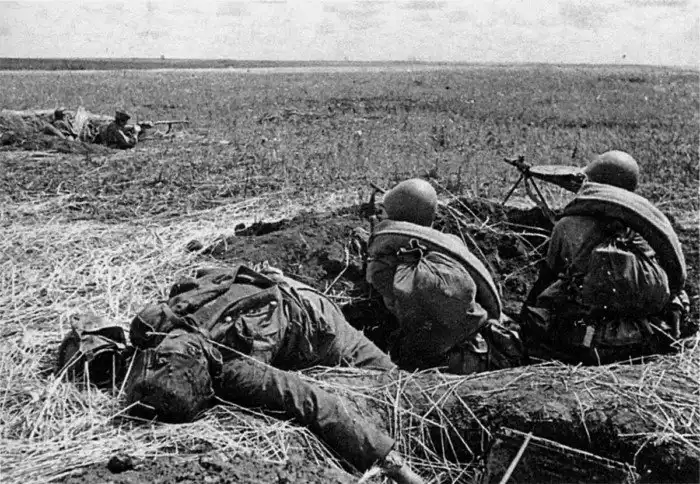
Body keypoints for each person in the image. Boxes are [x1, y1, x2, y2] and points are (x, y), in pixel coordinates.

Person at [58, 264, 423, 484]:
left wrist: (396, 467)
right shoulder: (153, 329)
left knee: (398, 380)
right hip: (264, 283)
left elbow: (314, 403)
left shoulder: (230, 370)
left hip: (314, 318)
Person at [521, 151, 690, 365]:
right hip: (651, 331)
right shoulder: (651, 224)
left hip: (588, 337)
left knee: (547, 304)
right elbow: (677, 277)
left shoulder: (567, 225)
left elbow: (549, 274)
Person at [365, 179, 525, 374]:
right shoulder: (452, 244)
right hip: (494, 343)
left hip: (459, 359)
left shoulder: (393, 265)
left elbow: (379, 284)